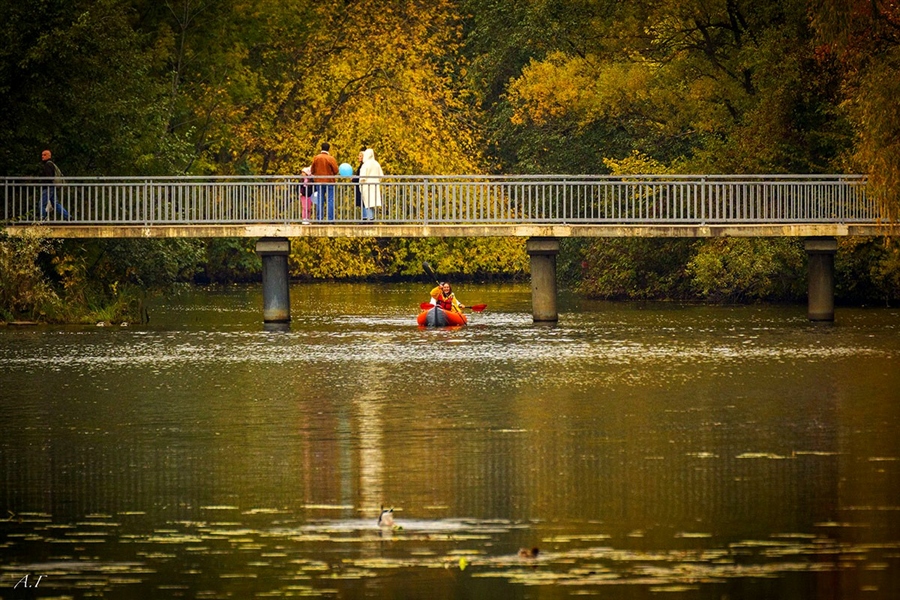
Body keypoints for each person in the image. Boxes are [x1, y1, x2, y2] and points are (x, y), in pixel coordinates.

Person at [310, 142, 339, 221]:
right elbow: (336, 170)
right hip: (329, 181)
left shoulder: (316, 158)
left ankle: (319, 218)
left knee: (320, 199)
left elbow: (312, 170)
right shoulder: (331, 158)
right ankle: (330, 219)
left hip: (319, 181)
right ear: (328, 149)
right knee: (330, 200)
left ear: (321, 148)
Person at [40, 149, 70, 220]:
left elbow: (49, 177)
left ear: (49, 156)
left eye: (44, 155)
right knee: (55, 204)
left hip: (48, 187)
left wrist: (45, 183)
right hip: (52, 187)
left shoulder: (48, 165)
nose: (42, 156)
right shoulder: (51, 164)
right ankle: (68, 216)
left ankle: (42, 218)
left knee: (41, 204)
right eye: (42, 155)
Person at [358, 147, 383, 221]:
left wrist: (361, 184)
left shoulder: (366, 164)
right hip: (375, 185)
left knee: (367, 202)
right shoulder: (376, 163)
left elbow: (362, 177)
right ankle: (371, 217)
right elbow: (381, 175)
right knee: (372, 202)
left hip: (366, 186)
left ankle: (369, 218)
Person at [352, 146, 365, 212]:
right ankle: (365, 216)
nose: (358, 157)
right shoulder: (362, 165)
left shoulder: (363, 166)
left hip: (361, 187)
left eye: (360, 156)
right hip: (360, 186)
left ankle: (365, 217)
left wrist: (353, 179)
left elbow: (359, 176)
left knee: (363, 203)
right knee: (362, 203)